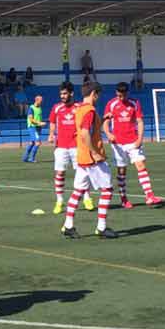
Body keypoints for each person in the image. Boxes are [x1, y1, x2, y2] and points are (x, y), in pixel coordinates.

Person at [62, 81, 115, 239]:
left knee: (78, 191)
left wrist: (103, 118)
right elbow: (85, 133)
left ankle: (68, 225)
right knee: (107, 190)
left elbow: (86, 130)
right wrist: (95, 153)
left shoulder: (79, 109)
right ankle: (101, 227)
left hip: (82, 157)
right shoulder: (90, 110)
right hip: (92, 158)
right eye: (98, 95)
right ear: (94, 94)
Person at [104, 82, 161, 207]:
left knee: (140, 165)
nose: (121, 98)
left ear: (127, 93)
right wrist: (108, 133)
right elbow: (105, 122)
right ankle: (124, 198)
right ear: (116, 94)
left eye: (123, 95)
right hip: (118, 143)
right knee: (122, 170)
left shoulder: (135, 103)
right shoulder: (111, 104)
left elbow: (140, 121)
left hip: (133, 141)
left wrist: (140, 138)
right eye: (119, 96)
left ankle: (149, 196)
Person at [50, 82, 83, 213]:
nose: (62, 96)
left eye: (65, 93)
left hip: (77, 145)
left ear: (71, 93)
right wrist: (51, 134)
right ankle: (59, 201)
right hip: (61, 146)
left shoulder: (79, 107)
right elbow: (52, 122)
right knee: (60, 173)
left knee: (81, 173)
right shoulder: (57, 108)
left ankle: (86, 198)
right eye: (61, 94)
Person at [22, 94, 47, 163]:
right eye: (41, 101)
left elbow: (39, 117)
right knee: (38, 142)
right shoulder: (31, 108)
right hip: (32, 127)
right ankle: (32, 158)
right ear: (37, 100)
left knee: (32, 143)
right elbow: (31, 119)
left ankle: (24, 158)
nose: (42, 102)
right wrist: (40, 123)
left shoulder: (39, 108)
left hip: (38, 128)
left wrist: (40, 124)